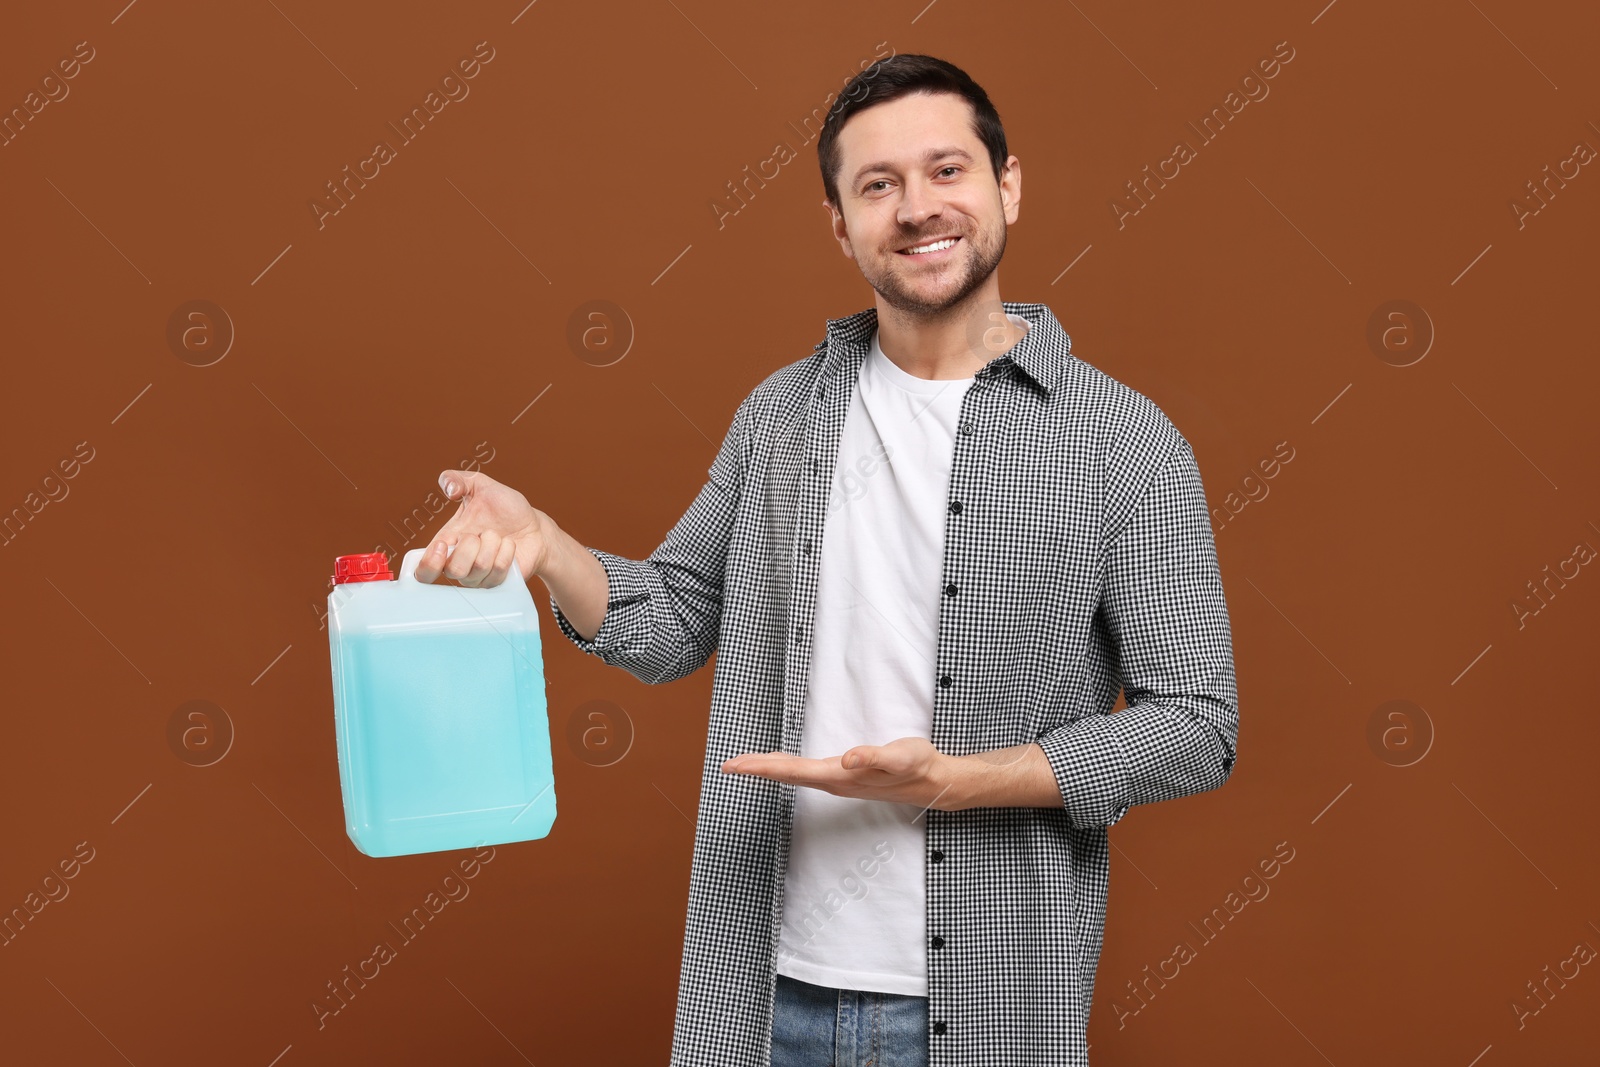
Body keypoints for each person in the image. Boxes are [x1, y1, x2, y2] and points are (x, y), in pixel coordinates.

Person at [414, 53, 1238, 1067]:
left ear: (1006, 185)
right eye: (877, 185)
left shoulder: (1124, 441)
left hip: (986, 1003)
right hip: (765, 996)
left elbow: (1196, 726)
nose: (917, 208)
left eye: (947, 171)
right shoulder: (780, 413)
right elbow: (669, 619)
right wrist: (544, 539)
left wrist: (958, 779)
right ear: (840, 225)